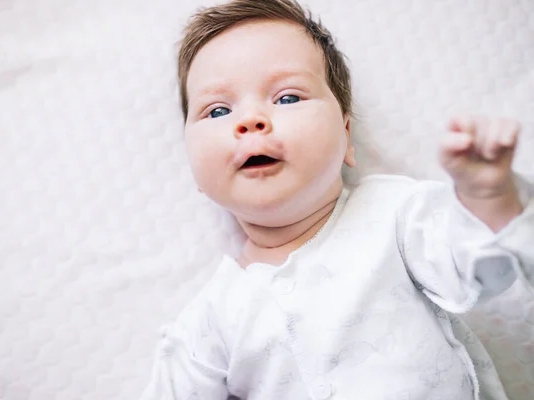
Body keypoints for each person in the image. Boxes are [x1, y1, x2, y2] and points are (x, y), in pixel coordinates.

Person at [142, 0, 534, 398]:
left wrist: (489, 198)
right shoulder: (209, 321)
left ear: (346, 137)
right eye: (218, 110)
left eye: (287, 98)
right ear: (193, 165)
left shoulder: (393, 216)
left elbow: (485, 268)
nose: (250, 120)